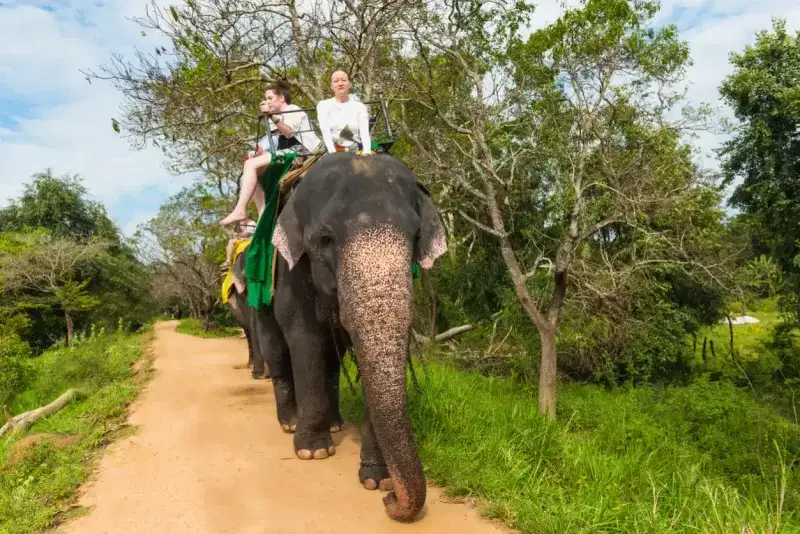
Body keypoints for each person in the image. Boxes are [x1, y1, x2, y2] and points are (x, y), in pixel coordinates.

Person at [219, 82, 321, 227]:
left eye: (270, 98)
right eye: (266, 99)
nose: (267, 102)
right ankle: (263, 215)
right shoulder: (279, 117)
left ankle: (240, 210)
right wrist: (262, 153)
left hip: (303, 152)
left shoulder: (292, 110)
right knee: (252, 168)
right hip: (289, 153)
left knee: (251, 164)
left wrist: (272, 116)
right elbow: (281, 148)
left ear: (282, 98)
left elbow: (289, 132)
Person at [316, 70, 373, 155]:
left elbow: (364, 133)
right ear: (331, 86)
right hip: (332, 151)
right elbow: (325, 131)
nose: (340, 83)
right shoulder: (323, 105)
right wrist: (332, 154)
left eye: (343, 80)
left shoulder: (360, 107)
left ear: (350, 84)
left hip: (355, 151)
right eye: (336, 81)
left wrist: (366, 152)